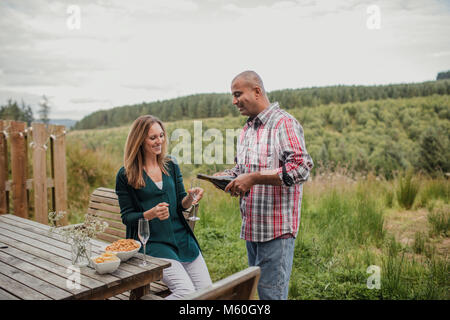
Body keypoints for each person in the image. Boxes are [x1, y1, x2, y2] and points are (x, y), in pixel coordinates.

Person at [214, 71, 314, 300]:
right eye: (233, 95)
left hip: (277, 231)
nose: (234, 101)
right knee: (261, 293)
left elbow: (301, 168)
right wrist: (228, 177)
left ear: (257, 91)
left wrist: (255, 178)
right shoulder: (247, 129)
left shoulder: (283, 123)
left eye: (238, 94)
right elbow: (243, 171)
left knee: (272, 296)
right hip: (253, 228)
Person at [115, 115, 212, 299]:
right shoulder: (126, 174)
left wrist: (190, 198)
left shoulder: (171, 164)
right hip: (153, 242)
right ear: (139, 140)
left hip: (182, 238)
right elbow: (127, 217)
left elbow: (181, 202)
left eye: (161, 135)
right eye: (153, 137)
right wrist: (150, 214)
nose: (159, 141)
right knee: (186, 292)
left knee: (207, 291)